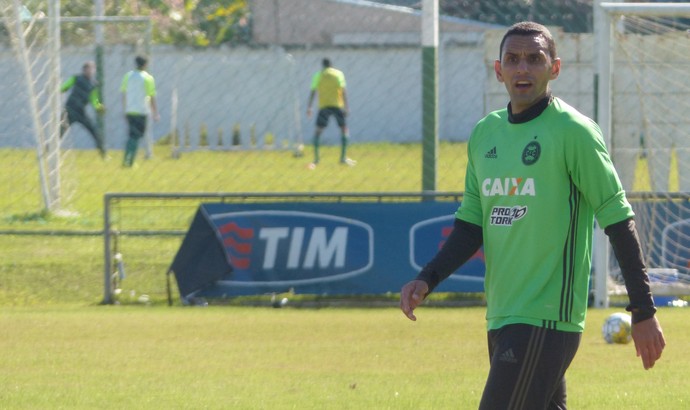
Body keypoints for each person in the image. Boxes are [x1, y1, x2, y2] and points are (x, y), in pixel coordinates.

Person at [400, 22, 665, 409]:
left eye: (534, 59)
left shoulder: (574, 131)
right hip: (502, 314)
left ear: (554, 68)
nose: (522, 68)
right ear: (499, 70)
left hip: (547, 316)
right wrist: (428, 277)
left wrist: (642, 310)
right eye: (512, 59)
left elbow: (618, 220)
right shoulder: (485, 133)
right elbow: (471, 225)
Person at [306, 58, 355, 168]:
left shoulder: (318, 75)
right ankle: (343, 158)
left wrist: (309, 107)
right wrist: (347, 107)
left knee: (318, 131)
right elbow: (343, 91)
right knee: (344, 129)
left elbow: (313, 91)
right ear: (331, 65)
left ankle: (316, 159)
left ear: (322, 65)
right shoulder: (338, 74)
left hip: (324, 106)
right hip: (337, 105)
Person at [60, 61, 107, 158]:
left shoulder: (93, 85)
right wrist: (59, 89)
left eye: (92, 69)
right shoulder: (76, 78)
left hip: (80, 111)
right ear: (84, 70)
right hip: (69, 109)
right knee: (60, 131)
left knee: (94, 130)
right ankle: (49, 148)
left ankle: (103, 152)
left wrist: (99, 107)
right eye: (88, 69)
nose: (90, 71)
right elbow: (64, 87)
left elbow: (94, 100)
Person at [120, 55, 159, 167]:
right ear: (146, 64)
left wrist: (124, 109)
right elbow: (151, 96)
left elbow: (124, 94)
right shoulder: (148, 78)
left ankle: (126, 159)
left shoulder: (128, 76)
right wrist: (155, 112)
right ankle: (130, 162)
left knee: (132, 135)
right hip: (142, 110)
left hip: (130, 110)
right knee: (136, 136)